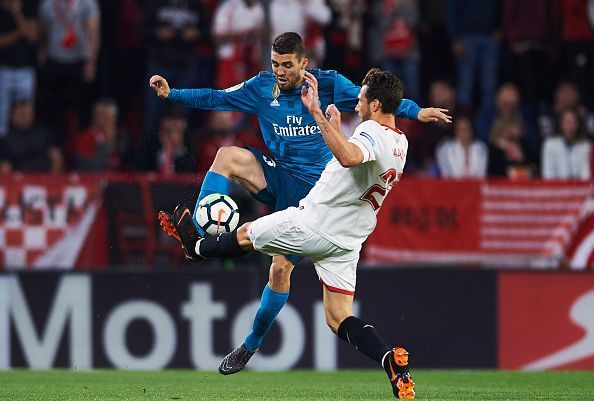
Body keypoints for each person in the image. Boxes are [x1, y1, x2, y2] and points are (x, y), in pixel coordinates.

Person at [150, 32, 450, 376]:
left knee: (279, 271)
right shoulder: (262, 87)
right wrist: (172, 93)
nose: (280, 71)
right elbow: (217, 97)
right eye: (275, 63)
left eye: (288, 65)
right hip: (277, 175)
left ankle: (250, 344)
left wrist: (418, 110)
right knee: (227, 156)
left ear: (303, 63)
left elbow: (378, 101)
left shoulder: (328, 84)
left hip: (313, 193)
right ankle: (200, 233)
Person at [541, 108, 591, 180]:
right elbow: (548, 174)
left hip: (580, 188)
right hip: (557, 188)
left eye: (573, 121)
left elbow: (586, 174)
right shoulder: (550, 144)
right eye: (567, 121)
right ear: (560, 123)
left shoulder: (586, 145)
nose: (570, 125)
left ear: (578, 124)